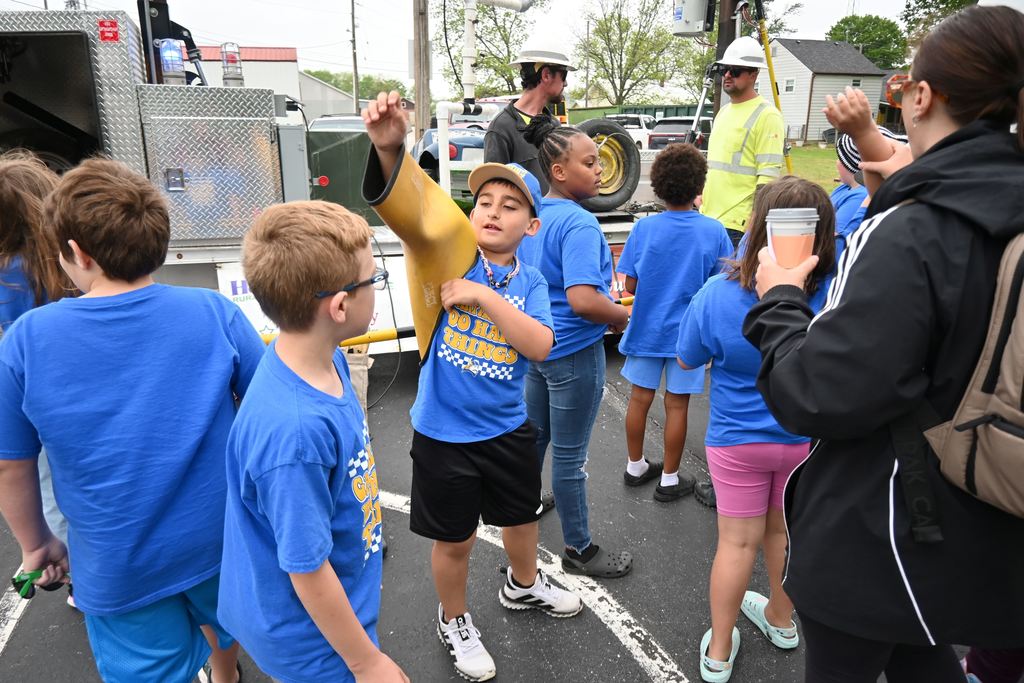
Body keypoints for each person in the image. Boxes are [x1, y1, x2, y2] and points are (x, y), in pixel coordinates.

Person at [741, 5, 1024, 681]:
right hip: (986, 515)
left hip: (887, 525)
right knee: (921, 653)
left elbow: (816, 391)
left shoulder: (912, 229)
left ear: (920, 97)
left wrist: (779, 296)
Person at [0, 158, 263, 683]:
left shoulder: (25, 341)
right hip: (223, 542)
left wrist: (38, 543)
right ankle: (227, 676)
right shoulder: (215, 313)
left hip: (118, 566)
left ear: (76, 253)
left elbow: (12, 465)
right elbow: (264, 411)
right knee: (240, 626)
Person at [362, 91, 582, 682]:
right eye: (483, 200)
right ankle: (453, 618)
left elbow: (540, 345)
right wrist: (390, 149)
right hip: (444, 434)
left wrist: (484, 297)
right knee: (454, 540)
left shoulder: (531, 280)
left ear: (531, 225)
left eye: (510, 206)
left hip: (508, 428)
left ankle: (523, 583)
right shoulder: (449, 258)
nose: (493, 210)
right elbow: (417, 215)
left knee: (523, 518)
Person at [217, 200, 407, 683]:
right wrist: (367, 663)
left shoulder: (325, 358)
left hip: (330, 616)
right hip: (314, 645)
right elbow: (306, 567)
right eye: (373, 280)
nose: (377, 290)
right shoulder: (295, 433)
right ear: (340, 306)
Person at [677, 177, 835, 682]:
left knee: (736, 544)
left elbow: (687, 355)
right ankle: (782, 620)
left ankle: (719, 650)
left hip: (736, 439)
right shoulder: (834, 294)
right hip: (803, 441)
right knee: (783, 537)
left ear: (756, 227)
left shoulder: (718, 294)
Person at [518, 118, 633, 578]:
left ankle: (524, 507)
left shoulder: (533, 219)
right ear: (559, 171)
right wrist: (626, 316)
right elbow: (585, 300)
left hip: (537, 349)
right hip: (573, 354)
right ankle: (579, 548)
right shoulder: (581, 224)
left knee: (537, 438)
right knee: (569, 455)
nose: (601, 170)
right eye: (590, 163)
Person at [616, 143, 732, 502]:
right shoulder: (714, 232)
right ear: (699, 186)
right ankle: (669, 478)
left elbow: (630, 284)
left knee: (639, 399)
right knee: (677, 404)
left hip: (646, 328)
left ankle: (635, 466)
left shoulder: (644, 229)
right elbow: (722, 284)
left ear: (658, 185)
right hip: (689, 337)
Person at [0, 153, 77, 606]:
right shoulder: (69, 263)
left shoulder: (6, 278)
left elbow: (11, 467)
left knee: (49, 487)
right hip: (88, 398)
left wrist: (33, 542)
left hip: (31, 407)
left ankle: (78, 573)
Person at [701, 36, 785, 246]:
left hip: (738, 227)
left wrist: (754, 224)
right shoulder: (723, 113)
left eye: (735, 70)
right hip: (709, 219)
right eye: (725, 69)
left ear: (753, 74)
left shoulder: (767, 115)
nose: (728, 75)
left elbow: (767, 179)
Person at [484, 42, 575, 194]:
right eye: (563, 74)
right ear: (546, 75)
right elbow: (492, 192)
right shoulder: (501, 128)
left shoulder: (554, 126)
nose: (565, 83)